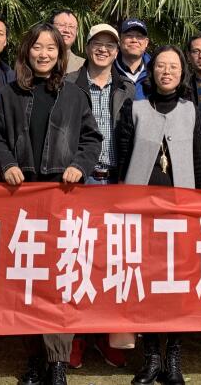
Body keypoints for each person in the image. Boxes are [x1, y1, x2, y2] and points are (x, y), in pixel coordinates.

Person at [0, 23, 102, 385]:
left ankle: (58, 362)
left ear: (60, 54)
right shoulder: (9, 94)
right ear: (26, 52)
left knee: (60, 281)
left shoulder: (74, 95)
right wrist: (7, 164)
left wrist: (80, 166)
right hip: (21, 202)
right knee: (28, 284)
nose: (44, 54)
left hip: (62, 199)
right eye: (37, 47)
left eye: (51, 48)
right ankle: (34, 358)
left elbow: (91, 140)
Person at [117, 46, 201, 385]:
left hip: (181, 213)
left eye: (173, 67)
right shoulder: (135, 108)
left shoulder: (191, 111)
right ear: (151, 71)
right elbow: (123, 157)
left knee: (178, 285)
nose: (166, 72)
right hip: (141, 213)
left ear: (182, 73)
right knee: (147, 281)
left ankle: (173, 356)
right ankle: (152, 355)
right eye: (160, 66)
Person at [64, 23, 135, 370]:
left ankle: (108, 336)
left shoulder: (127, 88)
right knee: (78, 260)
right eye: (97, 43)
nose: (103, 49)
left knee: (113, 262)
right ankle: (76, 337)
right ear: (87, 46)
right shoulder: (69, 83)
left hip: (116, 182)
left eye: (110, 44)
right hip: (80, 181)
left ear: (117, 51)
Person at [116, 18, 151, 100]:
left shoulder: (155, 71)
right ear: (119, 40)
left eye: (139, 36)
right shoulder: (109, 70)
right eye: (129, 35)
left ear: (146, 42)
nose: (134, 40)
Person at [50, 9, 85, 73]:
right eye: (62, 25)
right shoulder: (37, 59)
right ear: (50, 28)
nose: (67, 30)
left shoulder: (84, 65)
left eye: (71, 26)